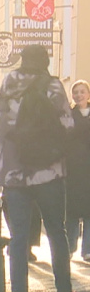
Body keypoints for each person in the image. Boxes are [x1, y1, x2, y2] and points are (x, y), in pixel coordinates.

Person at [0, 45, 85, 292]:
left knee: (19, 238)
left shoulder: (8, 83)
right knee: (56, 232)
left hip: (14, 174)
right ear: (45, 61)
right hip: (48, 172)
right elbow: (67, 126)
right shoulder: (54, 86)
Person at [66, 79, 90, 260]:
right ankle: (70, 246)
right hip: (73, 168)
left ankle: (87, 249)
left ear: (88, 94)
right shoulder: (69, 115)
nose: (79, 95)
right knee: (72, 210)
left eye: (82, 92)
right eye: (76, 92)